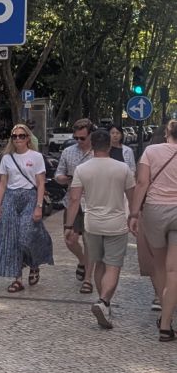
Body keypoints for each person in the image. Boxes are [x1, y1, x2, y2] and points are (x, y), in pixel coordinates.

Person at [64, 128, 135, 330]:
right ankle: (104, 301)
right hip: (116, 224)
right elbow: (132, 197)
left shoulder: (82, 169)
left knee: (98, 264)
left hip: (92, 223)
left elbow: (75, 199)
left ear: (92, 145)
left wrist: (69, 225)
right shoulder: (123, 169)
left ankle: (102, 301)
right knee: (113, 266)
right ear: (109, 145)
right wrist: (134, 217)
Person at [128, 118, 177, 341]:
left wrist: (134, 213)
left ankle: (162, 301)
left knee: (159, 264)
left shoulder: (151, 151)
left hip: (156, 211)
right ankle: (165, 324)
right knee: (174, 269)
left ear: (167, 132)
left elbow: (141, 183)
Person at [0, 124, 53, 292]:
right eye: (15, 136)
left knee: (25, 235)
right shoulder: (7, 158)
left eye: (21, 135)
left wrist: (39, 206)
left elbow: (41, 183)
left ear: (28, 138)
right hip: (11, 197)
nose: (18, 139)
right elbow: (3, 184)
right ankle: (17, 278)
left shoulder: (36, 157)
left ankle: (34, 263)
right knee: (12, 239)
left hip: (30, 197)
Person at [55, 118, 95, 294]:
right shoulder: (68, 152)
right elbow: (58, 174)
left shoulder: (99, 153)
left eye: (82, 138)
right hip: (72, 201)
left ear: (91, 135)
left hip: (93, 202)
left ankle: (88, 279)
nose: (79, 141)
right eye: (76, 138)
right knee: (70, 239)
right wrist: (65, 178)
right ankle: (83, 261)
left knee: (89, 241)